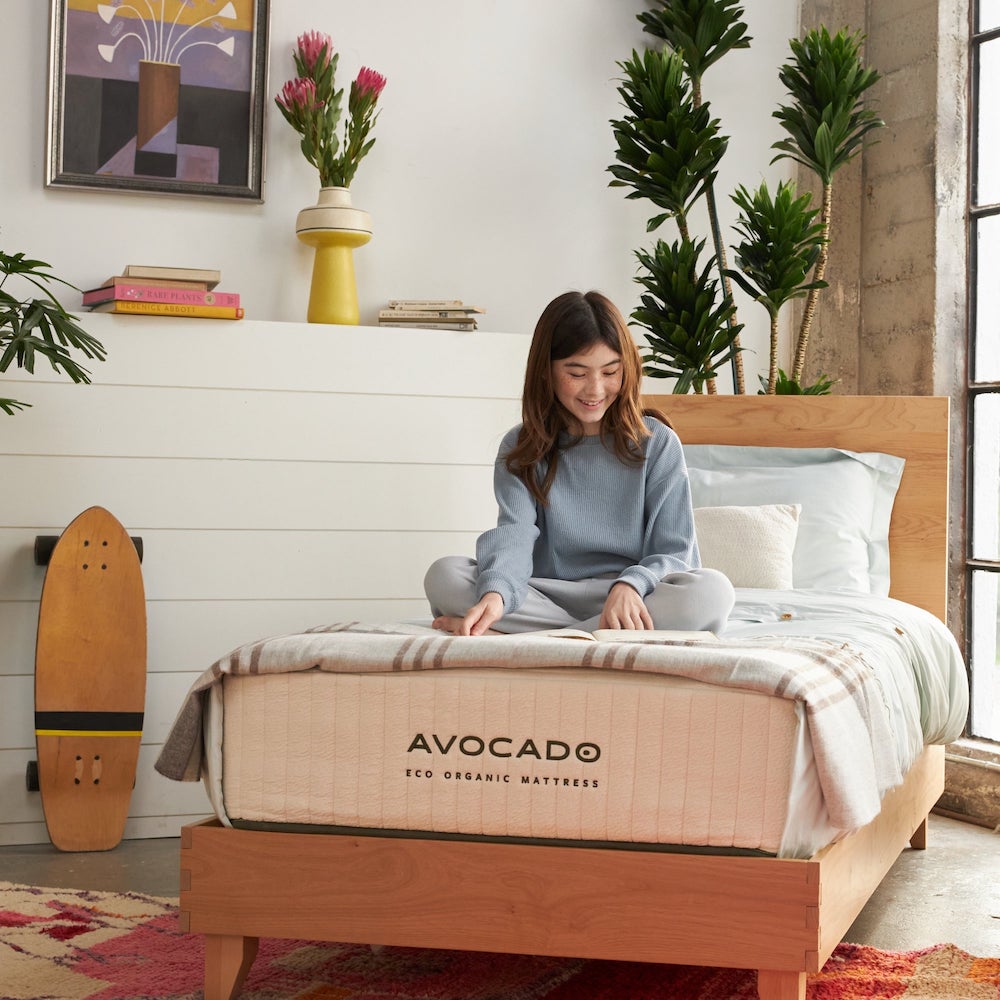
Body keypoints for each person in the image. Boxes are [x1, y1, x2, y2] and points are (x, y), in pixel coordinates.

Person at [424, 289, 734, 636]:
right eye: (577, 373)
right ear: (547, 372)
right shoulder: (521, 446)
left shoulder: (657, 442)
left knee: (711, 593)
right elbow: (515, 534)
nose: (595, 389)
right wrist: (496, 595)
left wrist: (632, 583)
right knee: (445, 575)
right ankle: (595, 634)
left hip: (633, 596)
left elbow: (676, 550)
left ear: (626, 369)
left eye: (610, 372)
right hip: (544, 593)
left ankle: (541, 637)